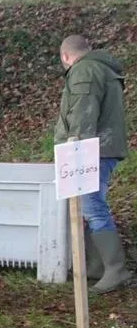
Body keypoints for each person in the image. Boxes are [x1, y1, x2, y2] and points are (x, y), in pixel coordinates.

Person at [54, 35, 132, 294]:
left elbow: (83, 112)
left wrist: (74, 150)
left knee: (92, 206)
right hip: (103, 147)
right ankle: (97, 266)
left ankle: (115, 269)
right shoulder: (101, 67)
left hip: (91, 149)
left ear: (66, 56)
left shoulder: (84, 70)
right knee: (90, 205)